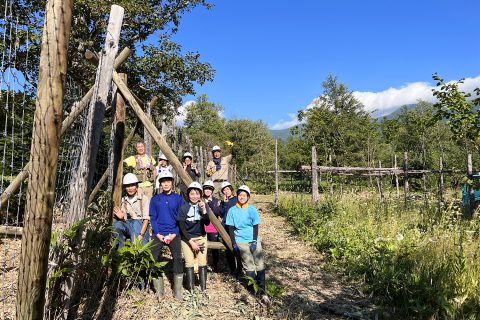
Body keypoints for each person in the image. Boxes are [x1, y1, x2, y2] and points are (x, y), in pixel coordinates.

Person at [226, 185, 267, 301]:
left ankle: (262, 289)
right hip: (241, 240)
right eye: (240, 195)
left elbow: (255, 226)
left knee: (259, 263)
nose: (242, 197)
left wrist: (254, 241)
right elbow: (231, 228)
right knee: (249, 265)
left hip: (253, 239)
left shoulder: (252, 209)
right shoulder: (232, 210)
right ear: (237, 196)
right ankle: (252, 289)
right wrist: (234, 243)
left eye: (244, 195)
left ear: (248, 197)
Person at [149, 170, 185, 300]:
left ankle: (177, 290)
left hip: (174, 233)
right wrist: (158, 234)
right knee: (153, 258)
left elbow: (181, 219)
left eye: (168, 181)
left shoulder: (179, 199)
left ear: (172, 182)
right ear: (160, 184)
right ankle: (159, 290)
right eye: (163, 181)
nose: (166, 184)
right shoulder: (155, 199)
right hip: (159, 234)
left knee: (177, 258)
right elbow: (153, 218)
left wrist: (174, 234)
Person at [177, 182, 211, 292]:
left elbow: (207, 223)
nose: (194, 196)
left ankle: (203, 288)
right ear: (188, 195)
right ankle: (191, 288)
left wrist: (204, 210)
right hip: (187, 239)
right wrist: (191, 242)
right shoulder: (183, 208)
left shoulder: (203, 206)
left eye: (197, 194)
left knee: (202, 262)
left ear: (200, 195)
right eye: (192, 194)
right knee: (189, 262)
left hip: (201, 237)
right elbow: (182, 228)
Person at [112, 173, 150, 249]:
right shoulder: (123, 200)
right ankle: (120, 251)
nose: (130, 188)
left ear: (136, 186)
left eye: (132, 185)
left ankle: (137, 250)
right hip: (128, 224)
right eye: (127, 186)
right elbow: (125, 221)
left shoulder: (143, 199)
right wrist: (121, 218)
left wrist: (141, 235)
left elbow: (146, 220)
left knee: (136, 222)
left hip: (140, 226)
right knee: (116, 225)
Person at [220, 181, 242, 278]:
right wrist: (224, 204)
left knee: (238, 248)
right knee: (228, 248)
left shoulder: (236, 199)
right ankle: (233, 269)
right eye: (224, 190)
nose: (226, 191)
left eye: (228, 189)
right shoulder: (223, 201)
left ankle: (240, 269)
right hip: (226, 226)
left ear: (231, 190)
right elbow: (221, 214)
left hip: (236, 226)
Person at [202, 180, 222, 272]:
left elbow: (219, 213)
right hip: (202, 226)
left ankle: (215, 265)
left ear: (212, 190)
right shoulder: (200, 200)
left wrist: (212, 207)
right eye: (206, 189)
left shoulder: (216, 201)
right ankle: (203, 265)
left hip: (213, 227)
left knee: (215, 248)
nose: (208, 191)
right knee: (203, 246)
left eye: (210, 189)